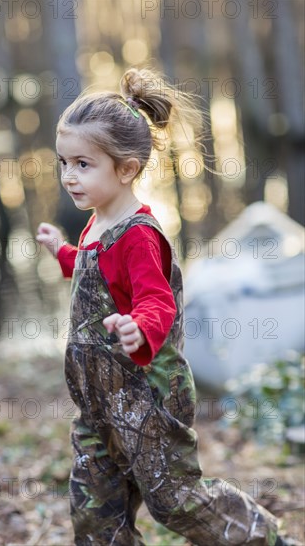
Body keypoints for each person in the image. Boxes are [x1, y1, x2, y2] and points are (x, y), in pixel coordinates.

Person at [37, 68, 292, 546]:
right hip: (97, 403)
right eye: (63, 162)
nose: (69, 175)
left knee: (173, 498)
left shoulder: (138, 234)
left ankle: (263, 538)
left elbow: (156, 300)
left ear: (127, 168)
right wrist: (63, 253)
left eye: (83, 164)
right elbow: (98, 274)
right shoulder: (97, 226)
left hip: (146, 395)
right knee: (93, 507)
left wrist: (139, 329)